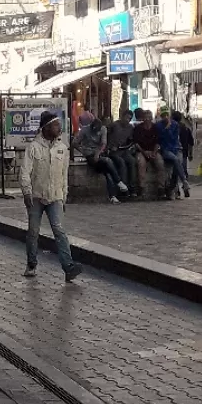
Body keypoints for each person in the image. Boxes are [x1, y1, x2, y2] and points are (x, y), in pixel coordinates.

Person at [20, 111, 82, 283]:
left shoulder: (62, 148)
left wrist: (64, 196)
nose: (59, 128)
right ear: (46, 127)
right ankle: (31, 264)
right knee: (33, 231)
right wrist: (26, 192)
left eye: (59, 125)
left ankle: (68, 267)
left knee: (59, 231)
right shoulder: (33, 147)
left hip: (55, 196)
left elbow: (64, 175)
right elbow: (25, 172)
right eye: (55, 125)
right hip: (36, 197)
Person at [73, 116, 128, 203]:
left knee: (107, 171)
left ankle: (113, 196)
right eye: (94, 130)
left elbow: (103, 144)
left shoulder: (103, 129)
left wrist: (98, 154)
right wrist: (83, 151)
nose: (96, 132)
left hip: (99, 154)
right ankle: (119, 182)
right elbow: (75, 143)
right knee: (107, 161)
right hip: (90, 155)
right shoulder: (85, 130)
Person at [131, 108, 168, 197]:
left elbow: (158, 142)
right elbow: (136, 143)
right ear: (142, 118)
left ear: (151, 118)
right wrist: (144, 152)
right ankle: (141, 187)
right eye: (145, 117)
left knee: (160, 163)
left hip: (153, 150)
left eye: (148, 117)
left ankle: (161, 188)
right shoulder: (138, 128)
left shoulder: (155, 128)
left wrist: (154, 152)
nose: (147, 119)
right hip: (142, 150)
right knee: (141, 164)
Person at [155, 109, 191, 198]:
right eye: (163, 115)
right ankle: (184, 181)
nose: (165, 117)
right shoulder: (158, 125)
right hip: (165, 149)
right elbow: (160, 138)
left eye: (167, 115)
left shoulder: (175, 124)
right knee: (175, 159)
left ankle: (174, 187)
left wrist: (169, 128)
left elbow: (174, 138)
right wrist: (166, 128)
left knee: (178, 163)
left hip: (175, 148)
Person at [106, 109, 138, 196]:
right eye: (126, 118)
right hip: (113, 151)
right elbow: (106, 136)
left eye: (130, 119)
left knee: (132, 161)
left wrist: (128, 147)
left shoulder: (130, 128)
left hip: (123, 150)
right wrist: (109, 147)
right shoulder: (114, 125)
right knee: (121, 163)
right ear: (122, 117)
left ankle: (133, 188)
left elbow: (131, 140)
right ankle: (124, 188)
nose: (127, 120)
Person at [176, 111, 195, 180]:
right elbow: (191, 143)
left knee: (174, 170)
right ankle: (185, 183)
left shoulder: (171, 128)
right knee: (183, 169)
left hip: (174, 152)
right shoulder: (186, 129)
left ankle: (176, 187)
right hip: (184, 152)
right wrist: (190, 154)